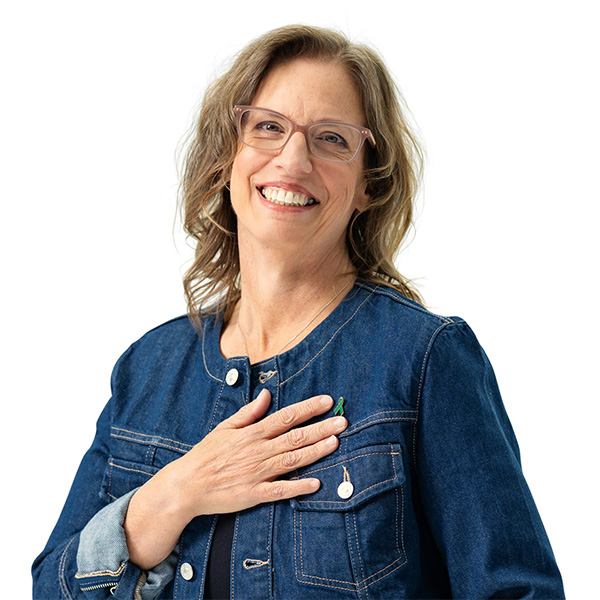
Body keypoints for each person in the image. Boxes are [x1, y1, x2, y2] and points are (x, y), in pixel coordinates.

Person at [32, 24, 564, 599]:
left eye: (332, 139)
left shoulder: (424, 359)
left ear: (368, 184)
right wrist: (173, 494)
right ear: (226, 158)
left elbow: (517, 591)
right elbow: (51, 585)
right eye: (268, 127)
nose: (293, 159)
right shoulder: (148, 369)